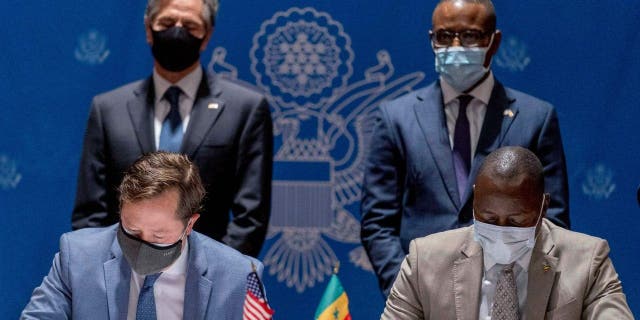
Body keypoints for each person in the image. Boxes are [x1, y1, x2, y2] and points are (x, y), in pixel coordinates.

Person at [360, 0, 570, 297]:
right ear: (431, 40)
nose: (456, 46)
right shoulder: (396, 118)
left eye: (470, 36)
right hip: (420, 294)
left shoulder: (536, 117)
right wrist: (407, 289)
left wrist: (519, 288)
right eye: (445, 37)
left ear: (493, 42)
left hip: (508, 295)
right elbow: (377, 222)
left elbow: (552, 219)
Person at [72, 0, 273, 257]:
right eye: (167, 23)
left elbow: (250, 217)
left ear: (207, 36)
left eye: (189, 25)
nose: (177, 31)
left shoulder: (246, 108)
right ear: (148, 29)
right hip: (122, 276)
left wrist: (214, 278)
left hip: (208, 280)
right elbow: (90, 214)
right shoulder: (109, 109)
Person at [381, 146, 633, 319]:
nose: (500, 231)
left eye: (515, 220)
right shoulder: (425, 259)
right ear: (474, 202)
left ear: (543, 207)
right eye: (488, 218)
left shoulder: (589, 260)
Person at [22, 152, 264, 319]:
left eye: (159, 236)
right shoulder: (77, 256)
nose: (141, 245)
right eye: (132, 230)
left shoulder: (239, 276)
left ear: (190, 225)